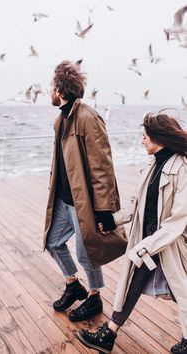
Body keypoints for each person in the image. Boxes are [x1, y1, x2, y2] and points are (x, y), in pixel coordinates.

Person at [77, 112, 187, 353]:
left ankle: (109, 334)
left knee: (182, 292)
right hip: (148, 241)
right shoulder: (153, 164)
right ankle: (109, 334)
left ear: (159, 138)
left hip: (168, 244)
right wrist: (112, 220)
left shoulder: (182, 168)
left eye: (145, 137)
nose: (142, 141)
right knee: (133, 286)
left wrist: (145, 247)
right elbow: (138, 204)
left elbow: (178, 220)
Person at [43, 60, 124, 322]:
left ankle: (94, 297)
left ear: (60, 90)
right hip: (64, 200)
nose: (50, 92)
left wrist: (103, 210)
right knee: (53, 242)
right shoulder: (61, 120)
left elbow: (103, 168)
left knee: (86, 251)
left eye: (51, 87)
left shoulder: (88, 118)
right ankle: (72, 284)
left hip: (84, 203)